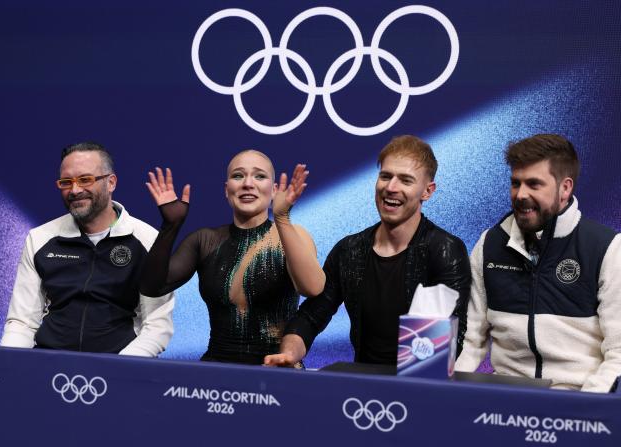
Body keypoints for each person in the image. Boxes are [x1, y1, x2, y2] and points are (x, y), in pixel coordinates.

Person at [265, 135, 471, 367]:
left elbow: (447, 340)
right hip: (362, 391)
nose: (391, 188)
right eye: (385, 176)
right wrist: (289, 354)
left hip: (419, 386)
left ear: (427, 191)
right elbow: (311, 317)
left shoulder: (445, 250)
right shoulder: (349, 250)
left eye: (405, 180)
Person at [455, 134, 621, 392]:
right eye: (515, 183)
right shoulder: (490, 243)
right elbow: (470, 338)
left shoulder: (607, 247)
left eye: (534, 184)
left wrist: (588, 405)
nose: (521, 195)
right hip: (505, 398)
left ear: (565, 188)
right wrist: (446, 392)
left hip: (577, 400)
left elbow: (618, 351)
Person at [139, 150, 325, 365]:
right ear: (227, 191)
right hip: (217, 371)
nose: (248, 183)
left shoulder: (293, 234)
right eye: (238, 176)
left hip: (277, 368)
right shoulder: (204, 240)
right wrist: (170, 227)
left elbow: (313, 288)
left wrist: (282, 217)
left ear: (273, 190)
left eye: (259, 176)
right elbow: (151, 288)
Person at [0, 142, 174, 356]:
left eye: (85, 179)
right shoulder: (40, 238)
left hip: (120, 370)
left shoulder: (148, 241)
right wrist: (8, 366)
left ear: (111, 183)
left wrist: (121, 370)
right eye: (66, 182)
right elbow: (22, 322)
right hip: (48, 366)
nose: (75, 190)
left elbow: (157, 327)